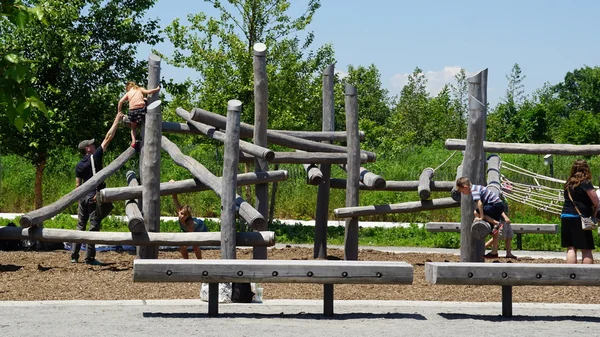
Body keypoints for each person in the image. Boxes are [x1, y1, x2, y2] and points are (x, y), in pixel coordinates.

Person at [71, 112, 124, 265]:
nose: (95, 145)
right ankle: (90, 258)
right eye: (92, 144)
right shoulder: (95, 157)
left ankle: (74, 256)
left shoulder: (79, 165)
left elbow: (77, 186)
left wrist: (80, 198)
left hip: (83, 198)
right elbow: (108, 138)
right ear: (88, 149)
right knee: (93, 228)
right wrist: (116, 120)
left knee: (80, 226)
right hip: (94, 197)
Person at [455, 176, 510, 259]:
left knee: (475, 212)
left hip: (494, 205)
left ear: (465, 187)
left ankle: (497, 223)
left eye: (462, 191)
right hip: (498, 205)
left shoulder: (474, 190)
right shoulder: (477, 187)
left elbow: (479, 203)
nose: (463, 193)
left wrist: (481, 216)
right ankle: (494, 252)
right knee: (495, 232)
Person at [560, 159, 598, 264]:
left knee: (571, 248)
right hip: (580, 218)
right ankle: (586, 275)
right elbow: (596, 202)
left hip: (566, 216)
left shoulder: (568, 182)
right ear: (586, 169)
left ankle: (571, 274)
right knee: (586, 248)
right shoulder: (586, 183)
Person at [170, 180, 208, 259]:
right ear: (179, 211)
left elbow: (192, 239)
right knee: (182, 246)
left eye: (185, 215)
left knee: (195, 246)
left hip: (199, 230)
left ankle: (199, 261)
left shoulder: (190, 224)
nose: (182, 216)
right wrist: (172, 184)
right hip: (190, 231)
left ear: (188, 216)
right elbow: (174, 197)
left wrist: (184, 245)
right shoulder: (179, 212)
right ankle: (186, 260)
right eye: (181, 213)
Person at [117, 81, 160, 147]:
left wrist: (119, 112)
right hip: (141, 111)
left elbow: (120, 102)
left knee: (133, 128)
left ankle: (133, 141)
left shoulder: (128, 93)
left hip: (132, 112)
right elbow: (149, 92)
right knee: (145, 99)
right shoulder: (139, 89)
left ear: (128, 87)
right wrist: (157, 89)